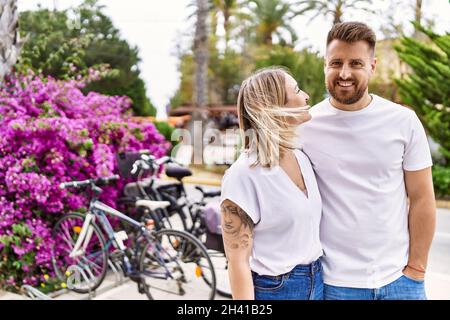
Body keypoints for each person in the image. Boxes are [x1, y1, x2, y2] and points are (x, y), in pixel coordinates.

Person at [297, 21, 436, 300]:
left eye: (356, 63)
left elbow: (422, 198)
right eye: (336, 62)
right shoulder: (305, 126)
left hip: (400, 281)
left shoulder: (403, 121)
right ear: (325, 65)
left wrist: (416, 270)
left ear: (372, 66)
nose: (344, 73)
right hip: (335, 283)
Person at [220, 67, 323, 300]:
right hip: (276, 290)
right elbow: (238, 264)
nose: (306, 95)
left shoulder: (302, 157)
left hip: (318, 281)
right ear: (274, 106)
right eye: (296, 90)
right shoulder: (243, 174)